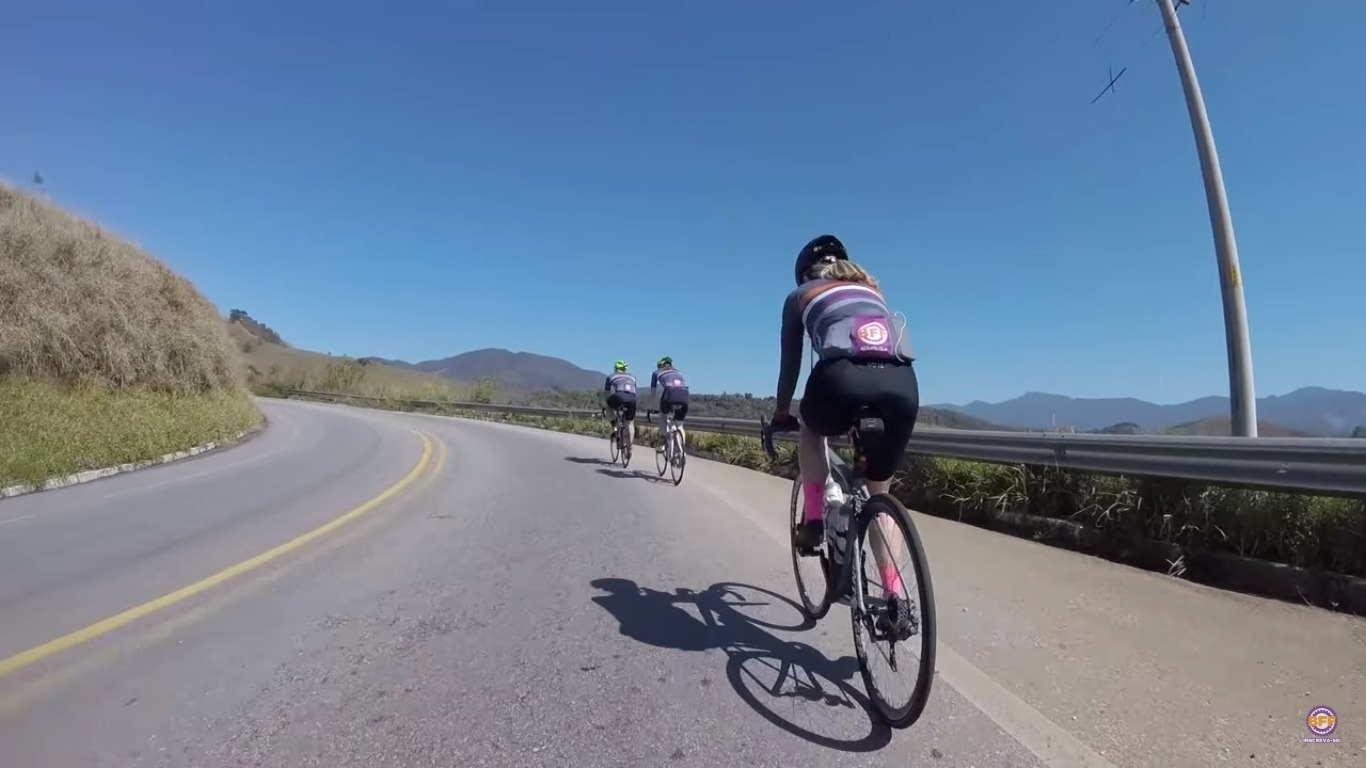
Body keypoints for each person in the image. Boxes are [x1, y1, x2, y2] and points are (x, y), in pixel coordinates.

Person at [768, 234, 920, 599]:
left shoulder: (800, 295)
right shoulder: (872, 290)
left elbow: (791, 363)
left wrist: (782, 411)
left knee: (810, 430)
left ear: (805, 273)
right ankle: (895, 597)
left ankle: (814, 521)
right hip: (902, 385)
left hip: (841, 380)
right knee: (879, 495)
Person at [650, 356, 690, 451]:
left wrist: (652, 405)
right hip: (685, 395)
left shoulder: (656, 372)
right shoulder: (678, 372)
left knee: (663, 416)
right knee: (680, 425)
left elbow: (653, 391)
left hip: (670, 394)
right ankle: (682, 451)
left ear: (660, 366)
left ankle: (662, 444)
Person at [602, 360, 639, 444]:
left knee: (608, 406)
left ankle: (614, 426)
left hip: (619, 396)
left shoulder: (610, 376)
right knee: (630, 423)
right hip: (632, 398)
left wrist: (605, 403)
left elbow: (606, 393)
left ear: (615, 369)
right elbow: (635, 391)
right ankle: (630, 446)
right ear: (625, 369)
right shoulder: (632, 377)